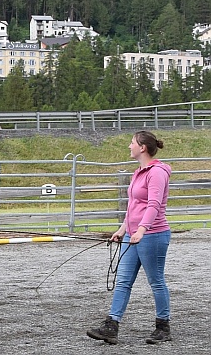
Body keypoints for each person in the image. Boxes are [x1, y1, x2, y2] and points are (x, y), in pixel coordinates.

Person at [87, 131, 172, 345]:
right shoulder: (138, 173)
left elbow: (153, 205)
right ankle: (111, 325)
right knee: (123, 281)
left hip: (152, 235)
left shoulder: (157, 173)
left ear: (142, 147)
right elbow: (133, 205)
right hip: (134, 235)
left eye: (132, 143)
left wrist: (142, 230)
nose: (129, 146)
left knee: (156, 281)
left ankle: (163, 327)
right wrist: (123, 229)